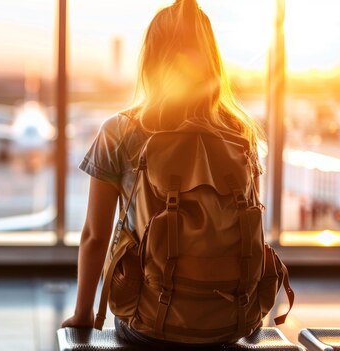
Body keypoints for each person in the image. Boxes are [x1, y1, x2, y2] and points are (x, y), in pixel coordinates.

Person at [62, 0, 265, 349]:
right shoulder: (240, 131)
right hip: (229, 320)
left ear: (152, 60)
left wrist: (83, 314)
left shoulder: (120, 131)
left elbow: (95, 236)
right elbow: (253, 223)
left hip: (148, 323)